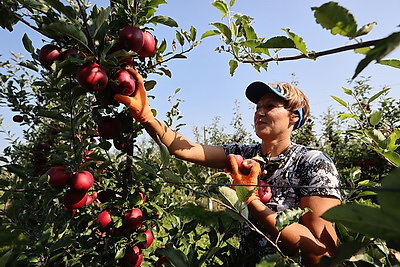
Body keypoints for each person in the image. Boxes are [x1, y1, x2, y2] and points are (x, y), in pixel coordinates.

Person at [114, 67, 342, 266]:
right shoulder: (245, 155)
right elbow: (185, 149)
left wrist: (251, 200)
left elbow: (321, 252)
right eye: (257, 107)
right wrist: (147, 117)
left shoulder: (313, 163)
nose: (259, 112)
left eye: (270, 106)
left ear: (294, 117)